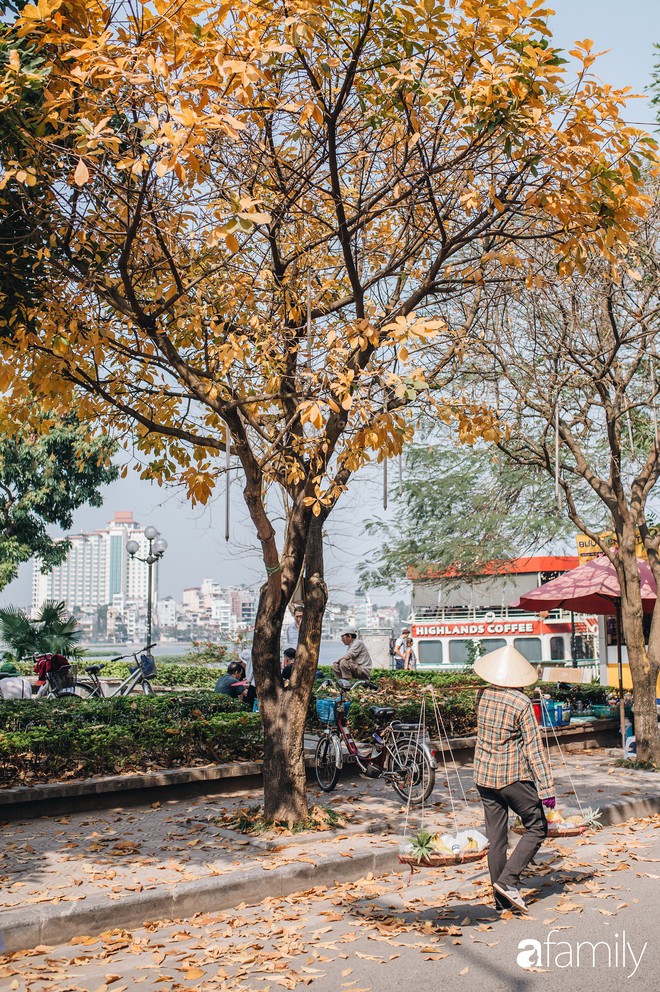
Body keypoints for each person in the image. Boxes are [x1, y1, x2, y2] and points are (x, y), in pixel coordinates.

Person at [472, 645, 554, 915]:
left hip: (484, 777)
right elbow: (533, 749)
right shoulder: (521, 704)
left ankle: (501, 900)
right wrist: (546, 788)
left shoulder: (480, 695)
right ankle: (508, 881)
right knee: (537, 826)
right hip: (512, 777)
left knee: (496, 839)